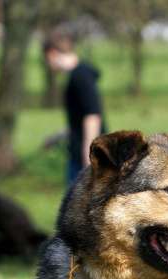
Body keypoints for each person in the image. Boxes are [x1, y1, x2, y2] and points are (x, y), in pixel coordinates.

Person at [43, 33, 107, 186]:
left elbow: (92, 115)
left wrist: (89, 156)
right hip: (78, 151)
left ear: (51, 54)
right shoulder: (77, 75)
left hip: (83, 157)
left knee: (76, 207)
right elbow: (80, 118)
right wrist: (58, 136)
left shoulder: (80, 76)